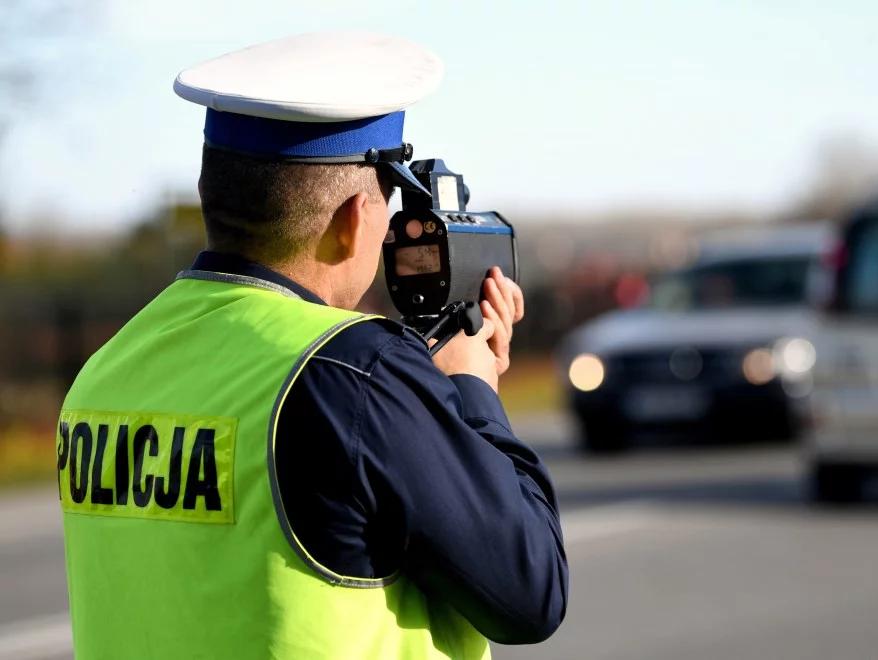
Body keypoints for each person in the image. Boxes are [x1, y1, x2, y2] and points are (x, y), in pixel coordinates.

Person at [55, 32, 567, 659]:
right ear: (355, 216)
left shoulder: (107, 368)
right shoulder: (351, 372)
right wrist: (472, 391)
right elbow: (530, 591)